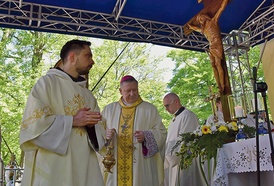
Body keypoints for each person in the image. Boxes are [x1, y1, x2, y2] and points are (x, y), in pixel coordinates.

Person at [19, 39, 105, 186]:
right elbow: (33, 126)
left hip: (84, 166)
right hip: (54, 168)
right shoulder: (47, 83)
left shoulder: (88, 95)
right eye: (88, 56)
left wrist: (91, 128)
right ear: (72, 57)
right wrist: (73, 120)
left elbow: (100, 132)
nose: (92, 61)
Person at [101, 75, 167, 186]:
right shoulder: (109, 110)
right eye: (128, 91)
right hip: (115, 163)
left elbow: (162, 132)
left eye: (135, 90)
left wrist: (146, 136)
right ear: (120, 91)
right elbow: (98, 133)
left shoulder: (149, 109)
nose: (132, 94)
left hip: (140, 166)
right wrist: (106, 135)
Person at [185, 0, 230, 94]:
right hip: (211, 46)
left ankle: (222, 85)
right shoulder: (204, 29)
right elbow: (196, 28)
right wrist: (190, 26)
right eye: (200, 20)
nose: (201, 20)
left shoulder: (213, 21)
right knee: (213, 65)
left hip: (217, 45)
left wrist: (225, 1)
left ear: (206, 17)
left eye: (201, 18)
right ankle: (218, 85)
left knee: (218, 64)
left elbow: (221, 9)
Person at [163, 93, 205, 186]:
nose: (166, 109)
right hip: (174, 161)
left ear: (176, 101)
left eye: (167, 105)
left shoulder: (187, 116)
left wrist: (171, 152)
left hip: (185, 160)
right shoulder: (174, 119)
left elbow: (186, 140)